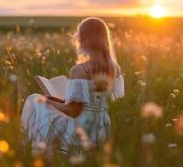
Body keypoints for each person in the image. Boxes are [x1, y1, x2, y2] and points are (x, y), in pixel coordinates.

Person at [21, 17, 124, 155]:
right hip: (102, 128)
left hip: (81, 131)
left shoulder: (79, 70)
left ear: (82, 39)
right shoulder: (115, 68)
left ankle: (39, 153)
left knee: (35, 100)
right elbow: (114, 99)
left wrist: (47, 99)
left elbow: (73, 111)